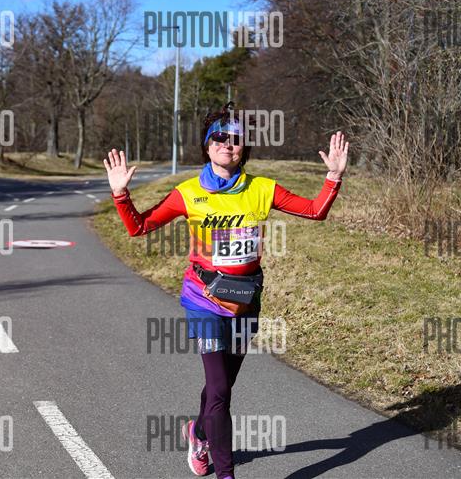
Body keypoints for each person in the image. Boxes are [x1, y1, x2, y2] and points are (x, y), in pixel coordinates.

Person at [104, 103, 348, 479]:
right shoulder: (188, 193)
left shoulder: (262, 189)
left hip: (245, 301)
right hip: (203, 299)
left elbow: (315, 210)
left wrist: (333, 176)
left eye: (235, 139)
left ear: (244, 148)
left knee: (222, 385)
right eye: (219, 136)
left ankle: (199, 433)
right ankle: (226, 473)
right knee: (220, 390)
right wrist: (121, 195)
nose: (227, 143)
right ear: (207, 145)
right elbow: (139, 227)